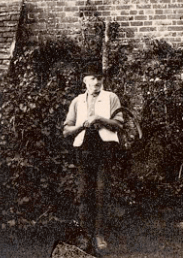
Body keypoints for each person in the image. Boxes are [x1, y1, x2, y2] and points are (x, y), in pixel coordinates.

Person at [63, 62, 124, 254]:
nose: (96, 82)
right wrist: (82, 125)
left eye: (99, 78)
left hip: (105, 148)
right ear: (85, 81)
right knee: (84, 191)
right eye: (92, 78)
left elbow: (119, 124)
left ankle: (99, 234)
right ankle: (84, 235)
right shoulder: (77, 101)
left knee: (101, 190)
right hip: (84, 148)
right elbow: (66, 130)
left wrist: (99, 119)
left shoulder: (111, 97)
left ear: (103, 80)